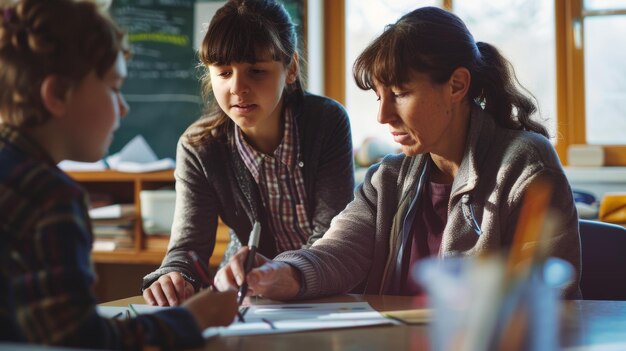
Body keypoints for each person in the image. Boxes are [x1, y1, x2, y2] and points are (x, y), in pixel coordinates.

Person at [214, 6, 582, 300]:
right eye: (379, 97)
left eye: (400, 93)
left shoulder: (524, 165)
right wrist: (281, 273)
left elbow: (547, 297)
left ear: (457, 85)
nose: (383, 115)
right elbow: (337, 252)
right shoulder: (388, 178)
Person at [0, 0, 237, 349]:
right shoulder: (50, 197)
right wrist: (194, 317)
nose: (124, 107)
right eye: (113, 88)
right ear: (57, 95)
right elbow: (82, 341)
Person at [141, 0, 354, 307]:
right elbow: (188, 249)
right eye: (224, 72)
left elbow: (332, 233)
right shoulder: (199, 146)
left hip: (324, 286)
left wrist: (284, 272)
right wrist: (175, 276)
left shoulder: (326, 122)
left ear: (291, 68)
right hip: (249, 293)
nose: (238, 88)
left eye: (256, 71)